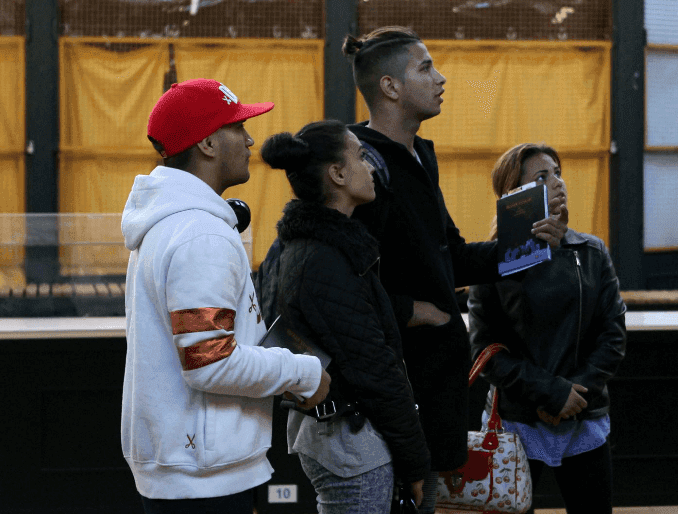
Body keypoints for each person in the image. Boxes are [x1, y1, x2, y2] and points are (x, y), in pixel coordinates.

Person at [342, 26, 568, 513]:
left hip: (433, 389)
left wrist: (526, 245)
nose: (440, 78)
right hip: (387, 389)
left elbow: (454, 256)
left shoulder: (420, 154)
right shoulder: (360, 163)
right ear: (390, 87)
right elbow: (339, 273)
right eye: (425, 67)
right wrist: (410, 310)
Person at [121, 78, 330, 514]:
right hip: (203, 481)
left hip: (196, 469)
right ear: (209, 144)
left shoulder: (178, 225)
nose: (250, 138)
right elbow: (209, 362)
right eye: (238, 128)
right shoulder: (199, 234)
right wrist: (304, 373)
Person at [259, 120, 431, 514]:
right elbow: (374, 368)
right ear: (337, 173)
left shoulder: (297, 245)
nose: (371, 167)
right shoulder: (324, 261)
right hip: (351, 446)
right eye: (360, 157)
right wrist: (416, 463)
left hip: (337, 436)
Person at [467, 143, 626, 514]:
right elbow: (485, 351)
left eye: (557, 172)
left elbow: (613, 336)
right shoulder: (491, 263)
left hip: (583, 416)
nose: (558, 182)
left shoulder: (592, 252)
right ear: (514, 193)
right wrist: (551, 394)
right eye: (542, 176)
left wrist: (573, 396)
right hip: (518, 422)